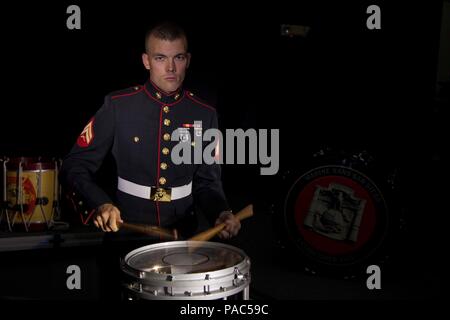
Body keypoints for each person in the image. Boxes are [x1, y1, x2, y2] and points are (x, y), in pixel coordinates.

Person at [60, 22, 241, 298]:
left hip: (183, 240)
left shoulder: (205, 114)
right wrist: (100, 203)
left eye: (178, 58)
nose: (170, 68)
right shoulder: (118, 105)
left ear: (187, 60)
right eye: (160, 58)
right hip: (126, 237)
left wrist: (222, 212)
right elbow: (76, 166)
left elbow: (207, 182)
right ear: (146, 61)